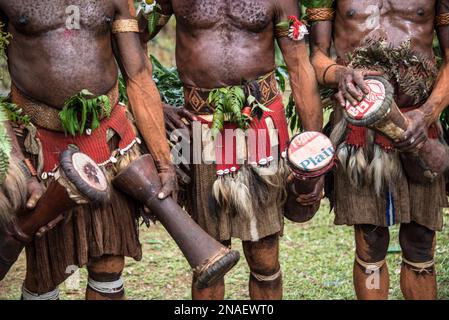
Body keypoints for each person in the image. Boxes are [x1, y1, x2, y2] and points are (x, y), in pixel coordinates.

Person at [137, 0, 323, 300]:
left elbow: (300, 67)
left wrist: (315, 151)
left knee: (265, 255)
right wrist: (154, 104)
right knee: (208, 258)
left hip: (261, 123)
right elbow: (131, 40)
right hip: (197, 129)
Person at [0, 0, 175, 300]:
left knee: (109, 262)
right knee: (44, 271)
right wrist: (19, 163)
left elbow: (138, 76)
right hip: (35, 145)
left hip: (107, 142)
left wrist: (164, 162)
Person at [309, 0, 449, 299]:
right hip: (360, 131)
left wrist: (427, 113)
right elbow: (317, 56)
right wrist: (340, 73)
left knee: (421, 240)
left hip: (419, 123)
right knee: (370, 241)